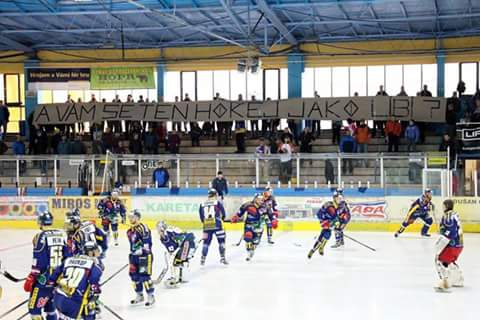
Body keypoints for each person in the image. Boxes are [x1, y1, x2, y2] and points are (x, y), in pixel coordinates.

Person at [24, 210, 67, 320]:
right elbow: (67, 256)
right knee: (51, 309)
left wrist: (32, 276)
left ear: (41, 222)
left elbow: (39, 260)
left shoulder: (40, 236)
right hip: (58, 280)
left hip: (44, 280)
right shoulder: (61, 234)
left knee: (34, 311)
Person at [50, 241, 103, 320]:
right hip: (74, 301)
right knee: (89, 311)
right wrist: (95, 297)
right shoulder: (94, 266)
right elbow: (94, 286)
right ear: (91, 253)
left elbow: (53, 278)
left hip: (58, 296)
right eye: (95, 251)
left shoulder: (68, 260)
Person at [434, 199, 464, 292]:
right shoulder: (455, 214)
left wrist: (440, 244)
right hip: (459, 245)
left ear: (446, 206)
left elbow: (450, 232)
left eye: (443, 206)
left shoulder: (448, 216)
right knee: (450, 261)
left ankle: (444, 284)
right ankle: (459, 280)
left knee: (440, 261)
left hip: (451, 245)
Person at [127, 209, 155, 307]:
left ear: (138, 217)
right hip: (134, 257)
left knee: (145, 277)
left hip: (145, 256)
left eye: (132, 217)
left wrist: (143, 250)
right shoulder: (130, 231)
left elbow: (147, 243)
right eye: (129, 217)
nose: (130, 219)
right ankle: (139, 295)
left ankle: (151, 296)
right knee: (134, 276)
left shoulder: (143, 228)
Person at [156, 221, 196, 287]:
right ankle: (180, 278)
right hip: (188, 241)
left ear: (162, 228)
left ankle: (175, 279)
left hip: (188, 242)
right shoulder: (167, 232)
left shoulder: (167, 234)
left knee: (176, 261)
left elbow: (174, 246)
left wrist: (171, 255)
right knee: (179, 261)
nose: (158, 231)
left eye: (159, 228)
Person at [231, 194, 264, 261]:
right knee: (248, 237)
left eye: (261, 199)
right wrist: (236, 217)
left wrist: (273, 219)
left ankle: (253, 248)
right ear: (255, 199)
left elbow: (270, 214)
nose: (260, 200)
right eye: (259, 199)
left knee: (256, 241)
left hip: (259, 226)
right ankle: (249, 253)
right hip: (248, 225)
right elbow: (240, 212)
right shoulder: (248, 205)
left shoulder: (264, 206)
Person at [199, 189, 228, 265]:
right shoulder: (217, 203)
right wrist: (222, 219)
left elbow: (202, 217)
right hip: (217, 225)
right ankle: (222, 258)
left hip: (206, 226)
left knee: (206, 243)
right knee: (221, 242)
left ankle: (203, 259)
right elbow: (223, 213)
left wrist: (206, 223)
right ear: (215, 195)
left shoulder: (202, 204)